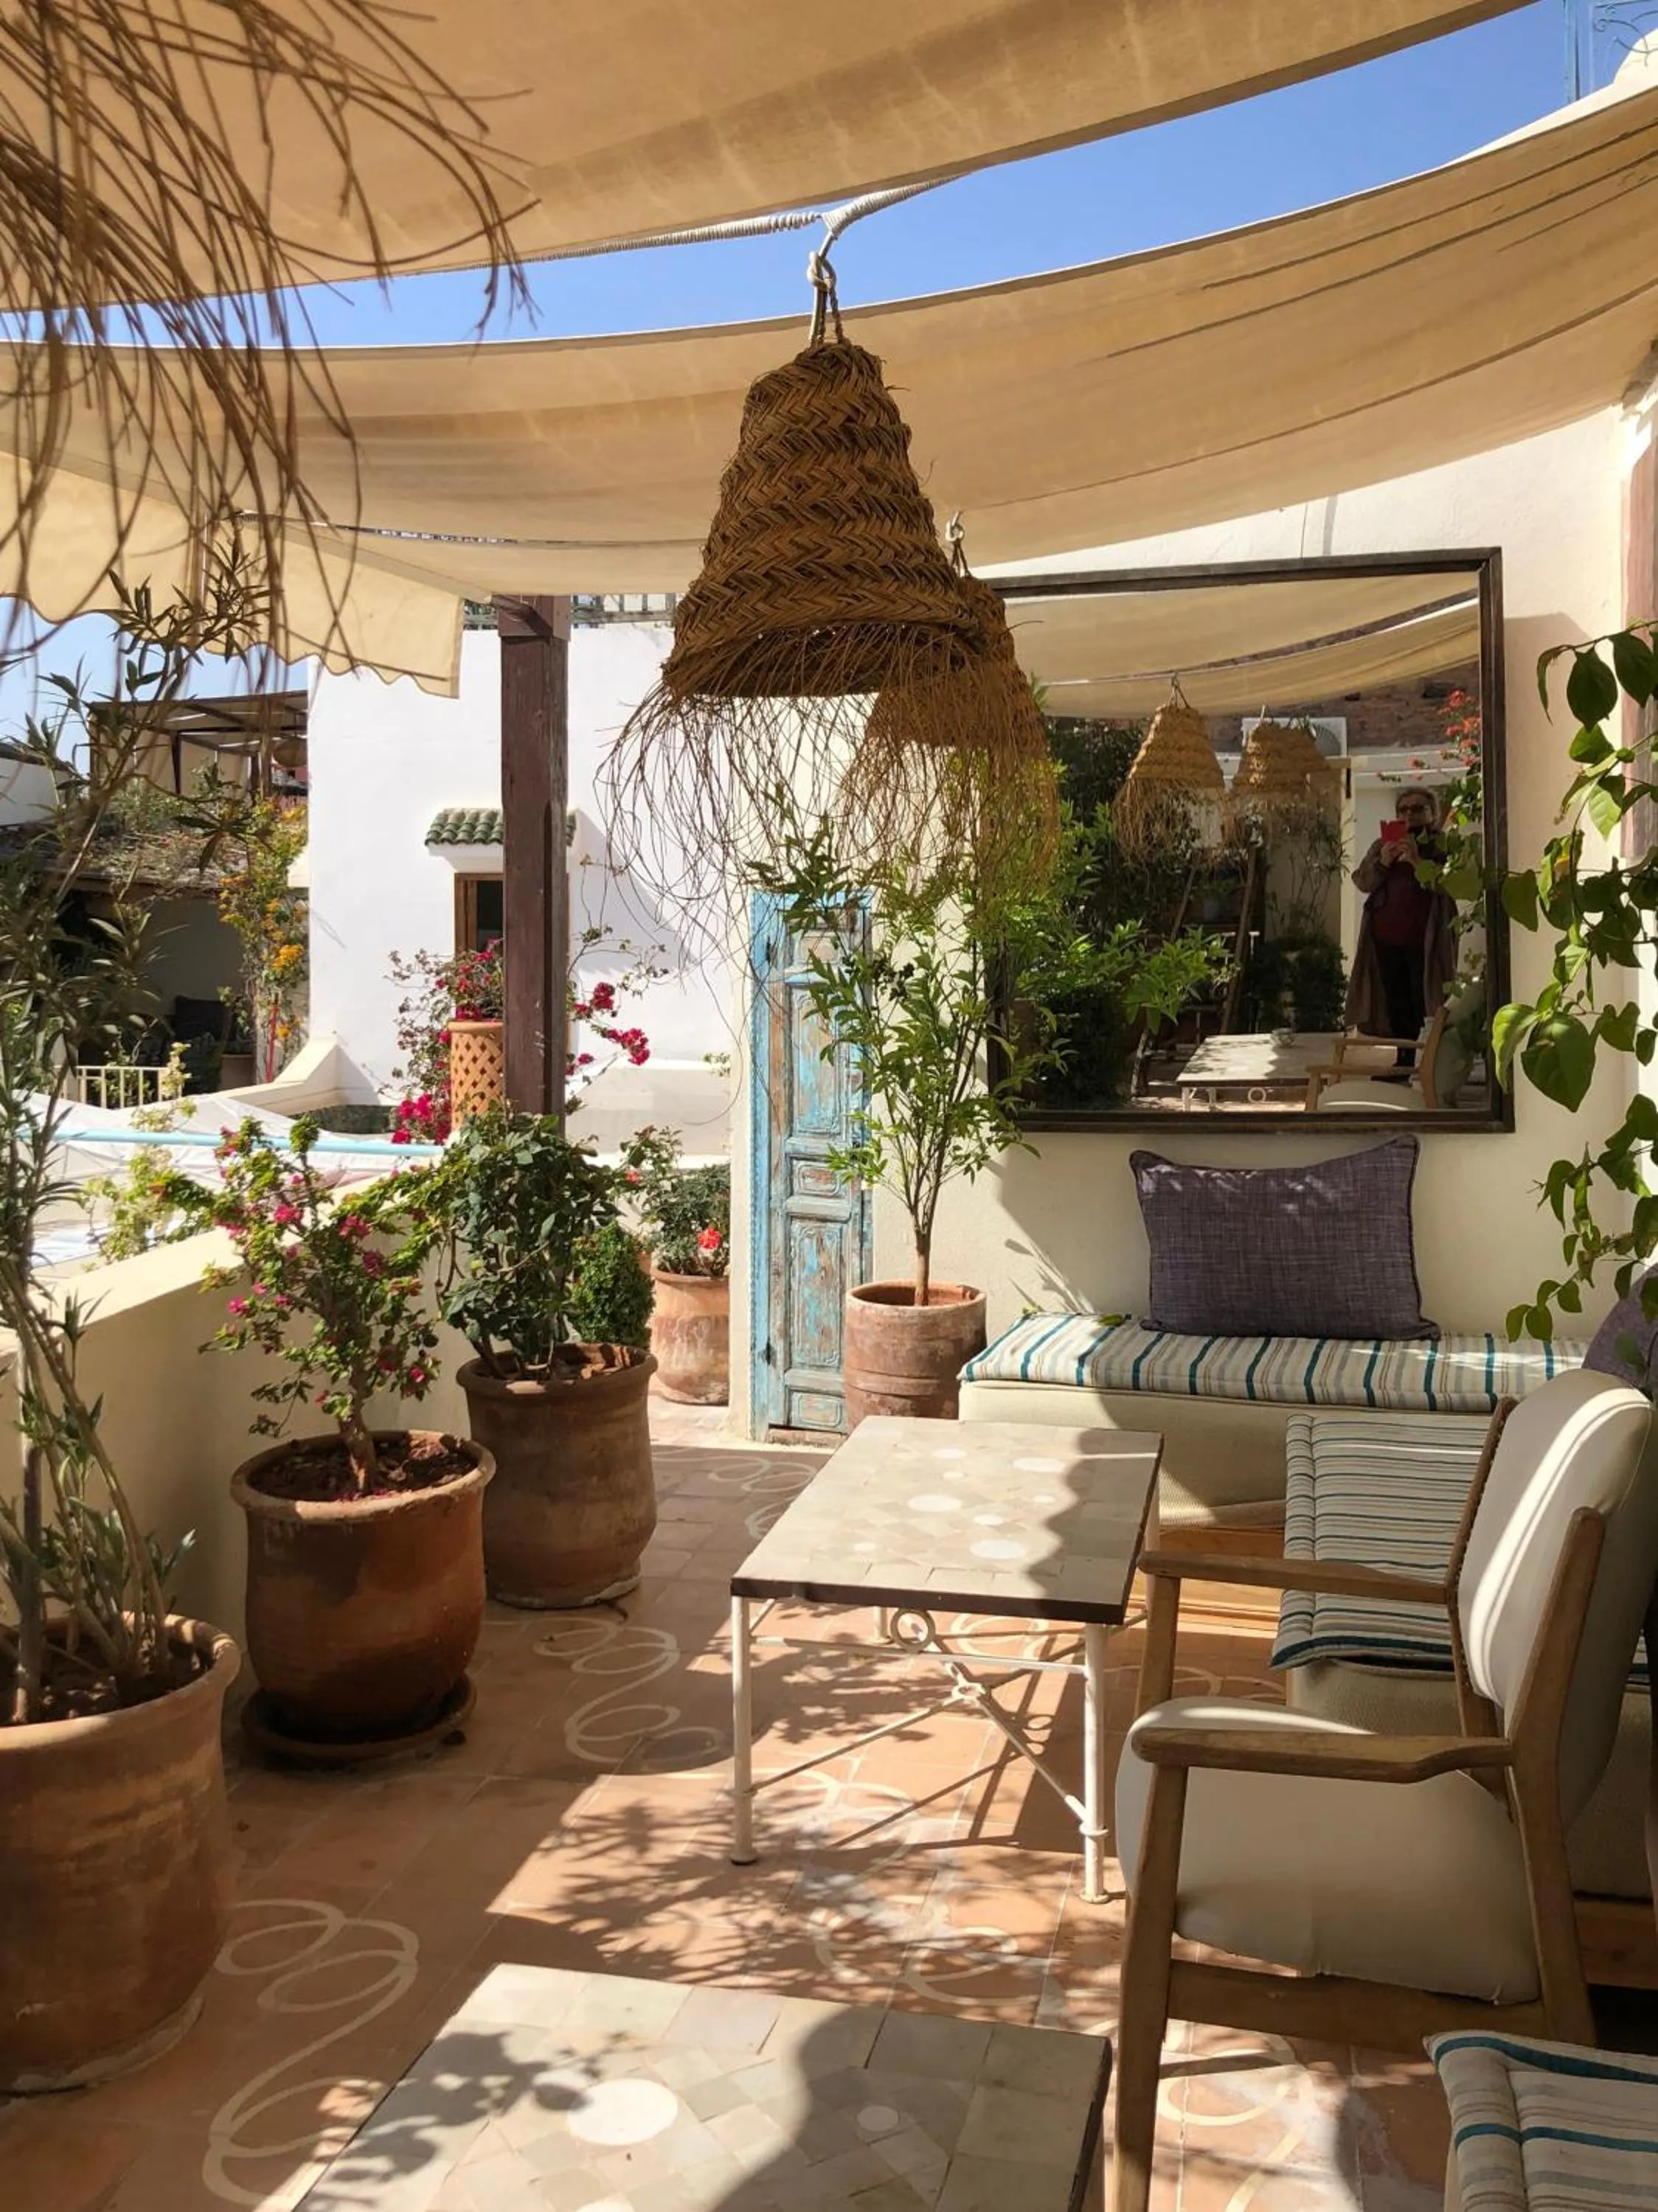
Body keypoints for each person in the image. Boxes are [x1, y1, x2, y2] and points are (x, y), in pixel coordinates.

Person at [1343, 785, 1456, 1063]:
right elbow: (1362, 882)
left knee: (1426, 1002)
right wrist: (1383, 862)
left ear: (1432, 813)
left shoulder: (1442, 846)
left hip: (1426, 941)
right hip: (1385, 939)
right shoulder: (1384, 844)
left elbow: (1451, 885)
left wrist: (1418, 862)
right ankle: (1403, 1062)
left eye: (1417, 809)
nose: (1409, 815)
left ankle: (1430, 1064)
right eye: (1403, 810)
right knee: (1396, 1003)